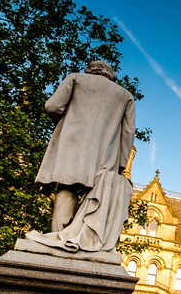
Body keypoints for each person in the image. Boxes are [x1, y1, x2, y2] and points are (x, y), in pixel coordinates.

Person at [26, 61, 136, 254]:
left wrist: (69, 120)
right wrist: (121, 165)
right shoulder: (124, 96)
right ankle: (82, 239)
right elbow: (127, 134)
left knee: (67, 189)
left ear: (90, 70)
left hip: (72, 148)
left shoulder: (75, 79)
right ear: (110, 75)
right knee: (95, 198)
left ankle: (58, 240)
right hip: (105, 158)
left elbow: (52, 106)